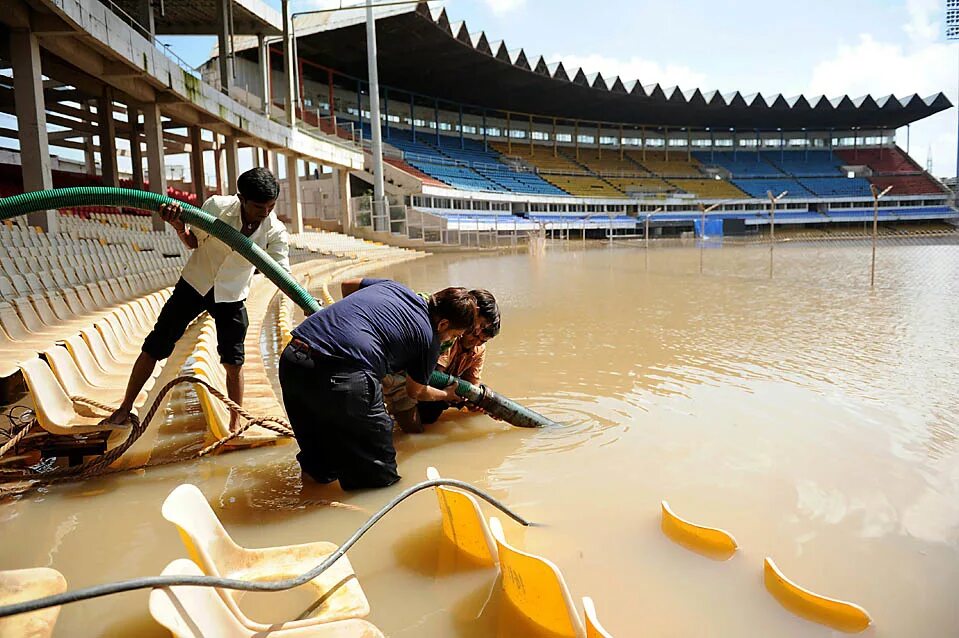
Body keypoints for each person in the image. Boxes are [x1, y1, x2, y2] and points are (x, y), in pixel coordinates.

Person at [102, 168, 290, 429]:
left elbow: (282, 273)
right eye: (259, 206)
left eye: (271, 206)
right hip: (194, 284)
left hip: (232, 295)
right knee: (155, 345)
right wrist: (179, 225)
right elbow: (193, 243)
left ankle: (235, 423)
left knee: (233, 362)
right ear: (241, 198)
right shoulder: (217, 207)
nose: (265, 212)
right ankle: (124, 407)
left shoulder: (275, 231)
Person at [279, 279, 477, 490]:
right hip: (344, 374)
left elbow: (348, 285)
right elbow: (415, 391)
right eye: (454, 335)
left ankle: (313, 501)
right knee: (377, 477)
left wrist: (352, 323)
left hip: (293, 360)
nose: (452, 340)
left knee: (317, 463)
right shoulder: (429, 338)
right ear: (443, 324)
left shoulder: (392, 287)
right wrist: (447, 395)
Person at [383, 289, 501, 432]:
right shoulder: (444, 336)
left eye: (482, 339)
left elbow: (471, 386)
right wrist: (450, 394)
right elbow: (431, 378)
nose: (476, 338)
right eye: (476, 330)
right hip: (414, 381)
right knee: (416, 430)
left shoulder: (477, 349)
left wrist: (483, 403)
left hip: (436, 389)